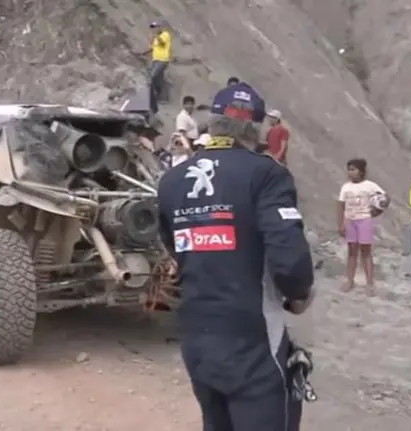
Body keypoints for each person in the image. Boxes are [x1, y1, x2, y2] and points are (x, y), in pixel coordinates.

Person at [157, 84, 314, 431]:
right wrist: (300, 294)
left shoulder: (171, 181)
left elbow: (175, 247)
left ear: (212, 123)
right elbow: (290, 259)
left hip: (197, 336)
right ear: (254, 128)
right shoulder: (266, 174)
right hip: (253, 338)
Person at [337, 158, 385, 295]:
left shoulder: (370, 185)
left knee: (366, 252)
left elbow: (384, 198)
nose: (350, 172)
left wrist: (377, 211)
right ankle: (350, 281)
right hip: (350, 221)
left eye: (353, 169)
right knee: (352, 252)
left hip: (364, 220)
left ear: (362, 171)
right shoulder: (346, 187)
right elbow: (341, 206)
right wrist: (341, 223)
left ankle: (369, 283)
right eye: (349, 169)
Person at [146, 20, 172, 105]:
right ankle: (162, 97)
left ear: (160, 27)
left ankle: (155, 96)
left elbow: (163, 44)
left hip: (163, 60)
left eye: (156, 27)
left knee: (153, 76)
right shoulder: (156, 38)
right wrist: (142, 53)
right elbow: (153, 48)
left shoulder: (165, 35)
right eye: (153, 28)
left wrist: (156, 35)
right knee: (158, 79)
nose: (154, 29)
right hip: (155, 59)